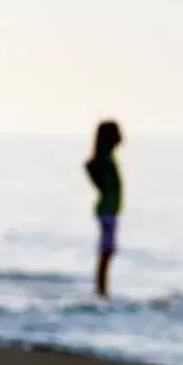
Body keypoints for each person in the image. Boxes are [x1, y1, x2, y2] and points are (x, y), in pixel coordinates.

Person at [84, 119, 123, 298]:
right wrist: (102, 188)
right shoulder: (104, 160)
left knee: (108, 251)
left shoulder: (108, 158)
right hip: (107, 210)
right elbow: (89, 165)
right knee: (106, 251)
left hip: (110, 209)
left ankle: (102, 289)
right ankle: (101, 291)